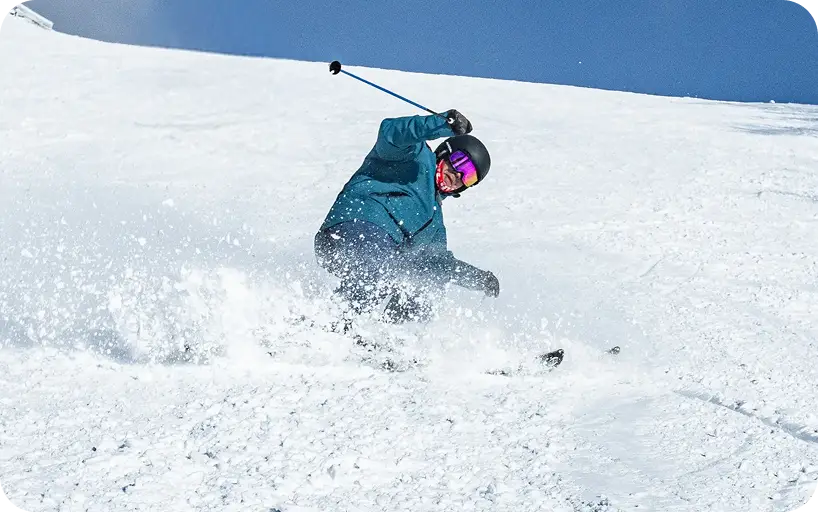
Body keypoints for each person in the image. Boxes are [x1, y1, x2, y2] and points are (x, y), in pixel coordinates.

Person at [314, 109, 499, 324]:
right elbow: (391, 133)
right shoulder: (415, 157)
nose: (459, 175)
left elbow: (437, 263)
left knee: (423, 285)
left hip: (380, 260)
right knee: (380, 268)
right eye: (460, 163)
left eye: (469, 176)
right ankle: (331, 323)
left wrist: (478, 278)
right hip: (351, 229)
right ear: (445, 153)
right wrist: (441, 123)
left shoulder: (435, 223)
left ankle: (389, 335)